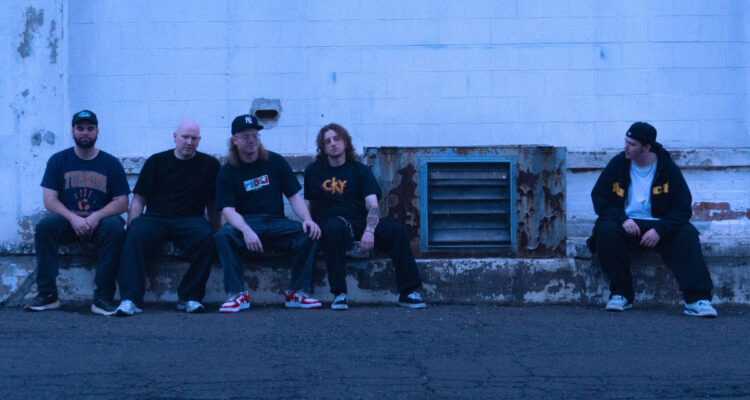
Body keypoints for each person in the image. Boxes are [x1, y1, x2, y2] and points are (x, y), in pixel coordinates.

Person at [587, 122, 716, 317]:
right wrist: (622, 219)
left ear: (646, 147)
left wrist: (660, 229)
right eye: (626, 142)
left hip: (659, 225)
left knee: (687, 233)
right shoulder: (618, 163)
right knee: (606, 230)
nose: (626, 147)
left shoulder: (667, 168)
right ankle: (621, 294)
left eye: (632, 144)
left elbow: (683, 207)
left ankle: (696, 299)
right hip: (627, 223)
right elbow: (599, 197)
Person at [304, 123, 426, 310]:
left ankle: (408, 292)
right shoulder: (313, 171)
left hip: (358, 222)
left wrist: (369, 231)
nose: (333, 144)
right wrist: (309, 224)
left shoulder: (360, 171)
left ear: (345, 142)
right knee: (334, 229)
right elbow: (310, 204)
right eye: (327, 141)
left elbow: (373, 205)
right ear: (323, 147)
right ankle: (339, 294)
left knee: (398, 232)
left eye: (336, 139)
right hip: (331, 224)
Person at [25, 110, 130, 315]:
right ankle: (48, 294)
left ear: (97, 131)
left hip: (99, 224)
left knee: (115, 228)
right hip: (68, 222)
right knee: (45, 226)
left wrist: (95, 217)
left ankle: (103, 298)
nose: (85, 133)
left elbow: (122, 202)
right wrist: (73, 219)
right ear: (72, 131)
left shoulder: (110, 163)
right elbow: (50, 200)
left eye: (90, 129)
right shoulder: (58, 160)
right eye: (80, 128)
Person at [214, 114, 322, 312]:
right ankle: (237, 295)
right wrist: (246, 230)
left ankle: (297, 293)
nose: (252, 140)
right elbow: (228, 210)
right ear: (235, 140)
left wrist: (307, 219)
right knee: (223, 236)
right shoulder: (228, 171)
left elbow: (294, 196)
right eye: (246, 136)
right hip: (247, 223)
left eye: (255, 135)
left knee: (310, 233)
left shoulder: (275, 161)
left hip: (275, 222)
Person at [114, 120, 220, 316]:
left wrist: (217, 229)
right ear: (175, 137)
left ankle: (190, 297)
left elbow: (213, 204)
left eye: (194, 138)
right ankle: (130, 299)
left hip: (191, 219)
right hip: (156, 218)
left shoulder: (209, 165)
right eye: (185, 137)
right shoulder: (156, 162)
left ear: (199, 140)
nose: (189, 142)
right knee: (135, 234)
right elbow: (138, 199)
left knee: (207, 237)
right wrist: (130, 227)